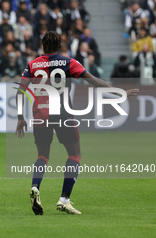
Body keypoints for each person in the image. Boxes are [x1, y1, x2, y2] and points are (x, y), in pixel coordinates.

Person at [15, 31, 139, 215]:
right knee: (75, 155)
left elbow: (20, 91)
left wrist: (20, 118)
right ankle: (64, 199)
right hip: (63, 114)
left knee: (43, 156)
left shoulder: (32, 65)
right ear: (60, 46)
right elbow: (95, 81)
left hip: (40, 114)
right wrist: (120, 93)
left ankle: (35, 186)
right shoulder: (68, 62)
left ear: (42, 46)